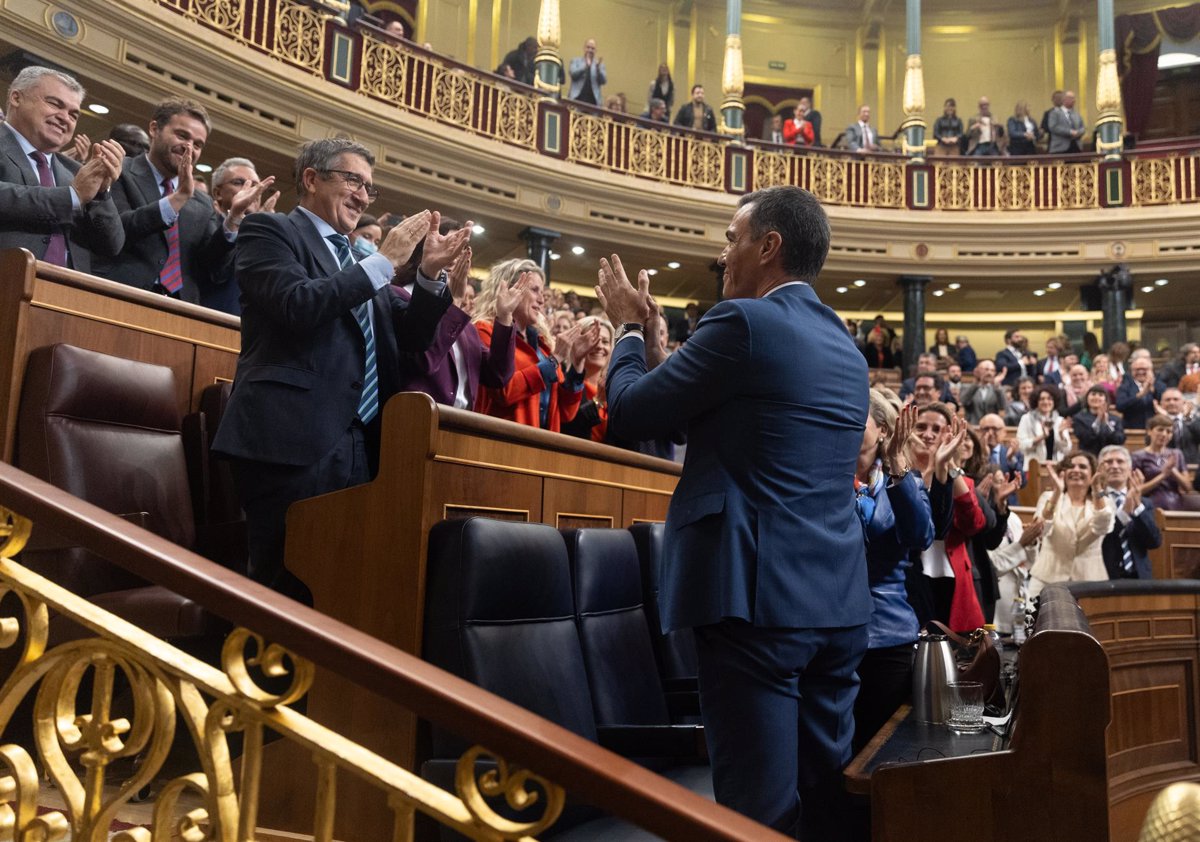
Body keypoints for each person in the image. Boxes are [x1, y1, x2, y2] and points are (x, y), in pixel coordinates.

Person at [595, 185, 871, 837]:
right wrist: (664, 356)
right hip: (834, 603)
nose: (723, 255)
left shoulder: (744, 323)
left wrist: (628, 331)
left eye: (731, 238)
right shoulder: (846, 350)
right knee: (822, 800)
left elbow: (630, 415)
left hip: (755, 604)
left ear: (768, 246)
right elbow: (736, 424)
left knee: (755, 813)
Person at [211, 138, 470, 603]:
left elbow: (409, 342)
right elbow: (298, 305)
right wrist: (385, 262)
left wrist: (429, 277)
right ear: (311, 179)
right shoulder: (269, 232)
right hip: (290, 440)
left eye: (369, 188)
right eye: (353, 180)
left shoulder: (357, 260)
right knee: (284, 586)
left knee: (342, 586)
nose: (363, 196)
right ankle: (258, 677)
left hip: (364, 442)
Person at [96, 99, 266, 304]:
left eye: (198, 144)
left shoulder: (203, 203)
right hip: (116, 299)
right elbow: (111, 233)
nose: (189, 147)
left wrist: (232, 220)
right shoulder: (118, 171)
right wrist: (176, 199)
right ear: (154, 128)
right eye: (182, 135)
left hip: (181, 311)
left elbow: (212, 267)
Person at [852, 397, 934, 753]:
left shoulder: (903, 482)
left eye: (859, 418)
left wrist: (899, 468)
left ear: (883, 431)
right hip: (827, 630)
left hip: (886, 631)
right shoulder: (820, 475)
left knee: (881, 748)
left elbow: (921, 536)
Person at [0, 66, 126, 273]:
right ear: (16, 98)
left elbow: (111, 245)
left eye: (74, 114)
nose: (65, 118)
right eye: (54, 103)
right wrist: (72, 196)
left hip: (64, 297)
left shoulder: (77, 172)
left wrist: (100, 194)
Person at [473, 258, 597, 432]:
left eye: (542, 292)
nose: (541, 300)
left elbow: (565, 413)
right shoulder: (485, 330)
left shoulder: (543, 345)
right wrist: (553, 362)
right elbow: (503, 392)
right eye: (535, 290)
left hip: (542, 448)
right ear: (511, 289)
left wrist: (577, 364)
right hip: (501, 444)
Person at [1029, 451, 1114, 598]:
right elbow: (1041, 530)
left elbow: (1103, 526)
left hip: (1089, 582)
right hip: (1046, 579)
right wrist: (1056, 493)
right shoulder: (1048, 497)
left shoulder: (1104, 501)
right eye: (1071, 466)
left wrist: (1096, 489)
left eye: (1082, 467)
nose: (1076, 470)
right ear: (1063, 471)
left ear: (1093, 473)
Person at [205, 156, 278, 314]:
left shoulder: (261, 235)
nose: (252, 190)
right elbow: (214, 269)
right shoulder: (204, 223)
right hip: (210, 323)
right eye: (239, 182)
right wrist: (235, 217)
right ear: (218, 193)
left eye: (255, 185)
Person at [1098, 445, 1161, 580]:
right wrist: (1125, 512)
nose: (1115, 466)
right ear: (1100, 469)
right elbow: (1103, 539)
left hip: (1139, 576)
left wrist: (1137, 505)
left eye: (1120, 461)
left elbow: (1154, 542)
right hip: (1105, 576)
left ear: (1129, 469)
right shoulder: (1095, 500)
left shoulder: (1145, 503)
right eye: (1108, 462)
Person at [561, 317, 613, 442]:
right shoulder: (566, 383)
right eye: (593, 340)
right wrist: (598, 402)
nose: (599, 346)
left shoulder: (614, 388)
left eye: (605, 342)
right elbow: (568, 430)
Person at [1132, 415, 1196, 512]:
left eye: (1169, 431)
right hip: (1148, 504)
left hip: (1175, 504)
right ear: (1149, 431)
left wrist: (1173, 471)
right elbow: (1136, 490)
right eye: (1160, 430)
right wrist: (1163, 475)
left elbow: (1188, 487)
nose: (1164, 434)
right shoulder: (1138, 456)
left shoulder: (1176, 454)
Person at [1017, 385, 1073, 466]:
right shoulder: (1026, 419)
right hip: (1034, 466)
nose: (1046, 402)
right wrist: (1041, 437)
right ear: (1036, 402)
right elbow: (1022, 446)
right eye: (1041, 399)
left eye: (1049, 399)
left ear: (1054, 401)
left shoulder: (1059, 420)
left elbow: (1067, 450)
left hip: (1055, 466)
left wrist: (1061, 434)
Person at [1072, 386, 1126, 455]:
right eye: (1093, 394)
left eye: (1100, 395)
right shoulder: (1079, 418)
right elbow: (1085, 439)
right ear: (1087, 398)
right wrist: (1098, 421)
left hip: (1110, 455)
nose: (1096, 397)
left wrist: (1106, 424)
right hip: (1089, 456)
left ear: (1106, 400)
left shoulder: (1115, 419)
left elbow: (1119, 440)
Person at [1116, 356, 1164, 430]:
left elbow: (1164, 403)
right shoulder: (1124, 387)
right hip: (1132, 430)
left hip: (1156, 429)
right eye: (1137, 369)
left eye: (1144, 369)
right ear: (1131, 371)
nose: (1141, 372)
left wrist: (1153, 390)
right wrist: (1139, 395)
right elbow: (1120, 406)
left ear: (1151, 370)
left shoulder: (1160, 385)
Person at [1158, 387, 1200, 463]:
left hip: (1191, 465)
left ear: (1183, 402)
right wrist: (1166, 419)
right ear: (1161, 404)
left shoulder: (1192, 420)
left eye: (1176, 399)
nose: (1172, 403)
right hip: (1164, 465)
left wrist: (1187, 418)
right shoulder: (1155, 422)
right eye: (1168, 400)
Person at [567, 39, 606, 106]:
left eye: (592, 48)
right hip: (576, 99)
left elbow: (603, 81)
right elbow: (573, 74)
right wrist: (585, 67)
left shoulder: (599, 65)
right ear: (584, 48)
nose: (590, 50)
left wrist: (598, 69)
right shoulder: (576, 61)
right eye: (588, 47)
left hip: (593, 103)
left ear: (596, 51)